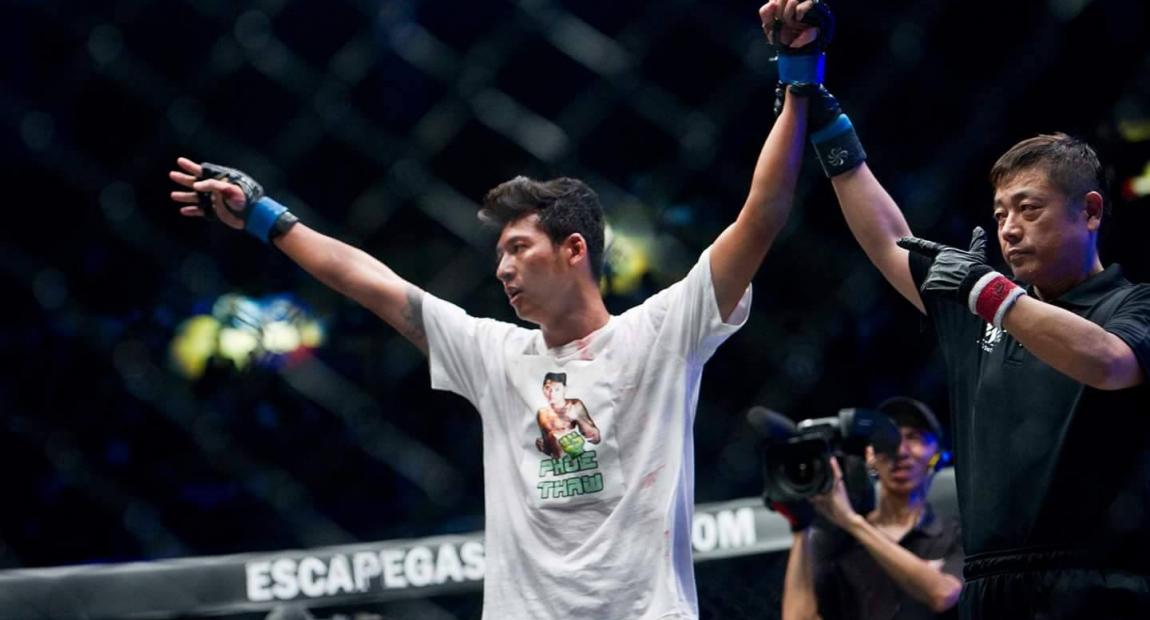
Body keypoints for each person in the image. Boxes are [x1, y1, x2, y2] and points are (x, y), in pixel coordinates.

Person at [167, 2, 825, 616]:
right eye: (499, 253)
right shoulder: (495, 353)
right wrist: (268, 218)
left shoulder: (660, 332)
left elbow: (760, 216)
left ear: (574, 249)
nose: (502, 268)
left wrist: (798, 80)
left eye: (518, 248)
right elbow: (373, 284)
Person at [779, 10, 1150, 616]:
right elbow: (888, 240)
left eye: (1028, 209)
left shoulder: (1134, 303)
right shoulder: (979, 303)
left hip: (1099, 584)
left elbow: (1109, 362)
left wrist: (991, 294)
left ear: (1089, 212)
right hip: (987, 586)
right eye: (1000, 214)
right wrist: (820, 112)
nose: (1009, 228)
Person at [780, 397, 963, 620]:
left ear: (937, 453)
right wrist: (800, 526)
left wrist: (852, 522)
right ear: (869, 456)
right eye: (887, 438)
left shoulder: (957, 534)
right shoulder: (835, 541)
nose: (900, 450)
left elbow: (944, 594)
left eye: (914, 437)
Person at [534, 372, 601, 459]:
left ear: (564, 389)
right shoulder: (542, 413)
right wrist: (542, 446)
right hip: (559, 461)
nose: (551, 393)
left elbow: (595, 438)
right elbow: (548, 449)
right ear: (543, 389)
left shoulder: (574, 405)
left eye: (557, 389)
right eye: (548, 388)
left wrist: (579, 418)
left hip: (579, 456)